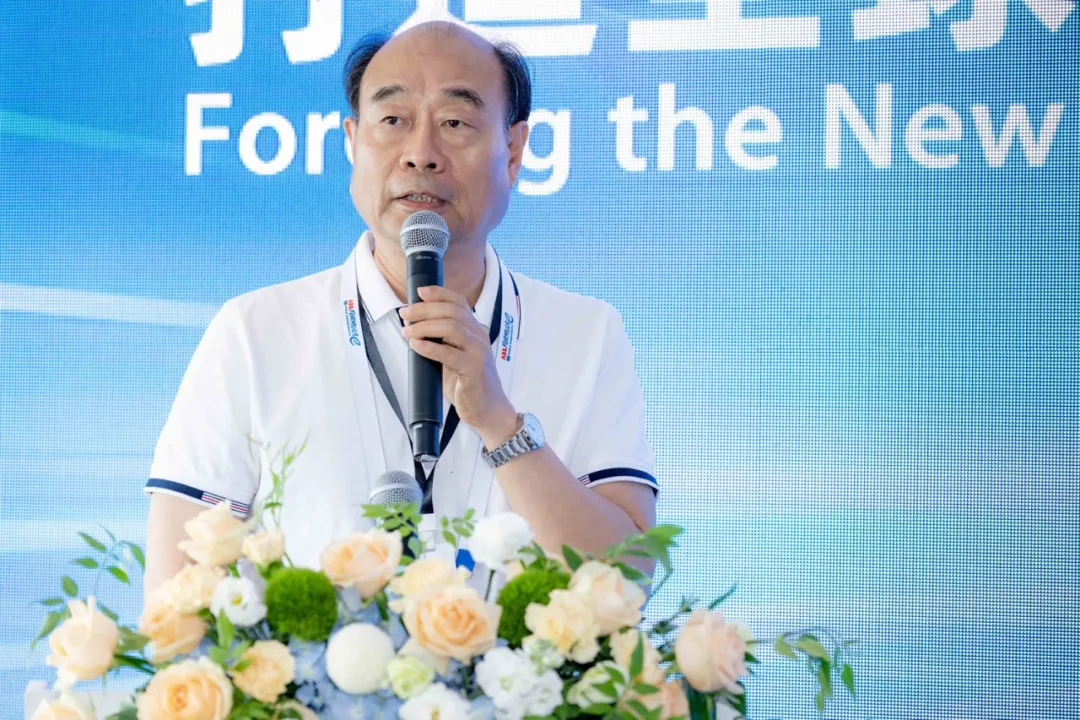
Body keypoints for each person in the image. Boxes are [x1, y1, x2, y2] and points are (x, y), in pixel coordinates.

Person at [144, 21, 656, 596]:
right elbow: (174, 599)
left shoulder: (586, 335)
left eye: (455, 123)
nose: (421, 154)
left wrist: (498, 422)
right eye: (393, 121)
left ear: (513, 152)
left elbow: (629, 578)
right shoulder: (254, 333)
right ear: (352, 141)